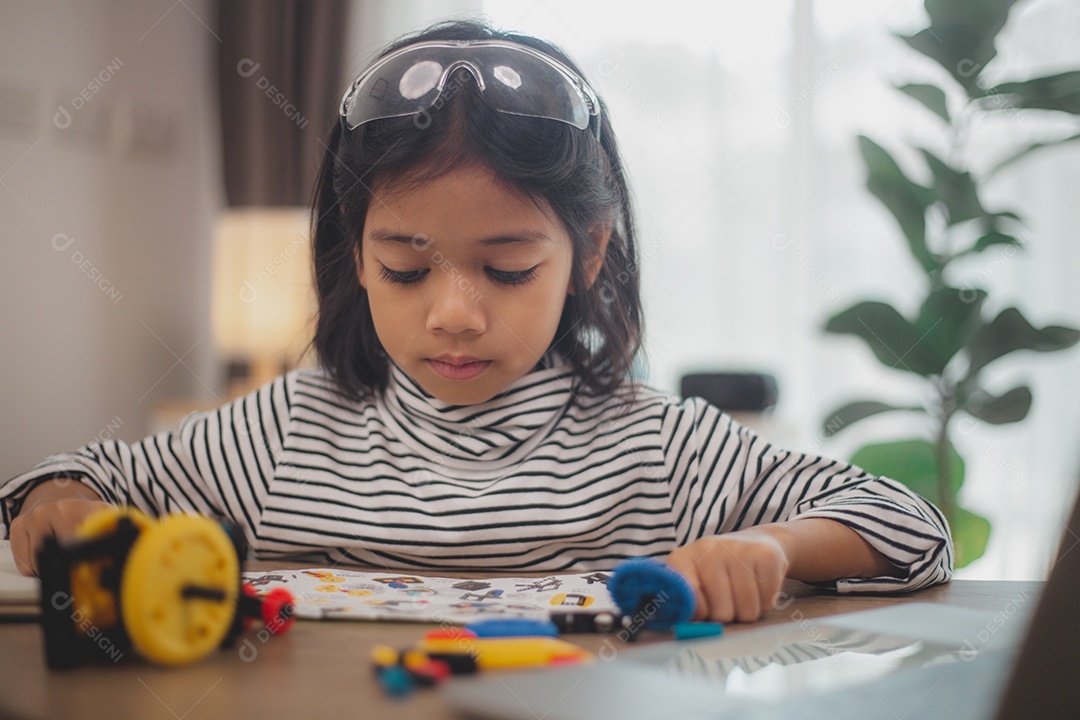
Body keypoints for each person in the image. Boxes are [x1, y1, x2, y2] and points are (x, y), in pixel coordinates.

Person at [1, 20, 952, 623]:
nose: (453, 315)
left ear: (589, 251)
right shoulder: (288, 429)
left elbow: (911, 527)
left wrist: (775, 546)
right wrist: (62, 508)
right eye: (407, 268)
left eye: (506, 268)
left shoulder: (655, 448)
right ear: (354, 254)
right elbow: (58, 478)